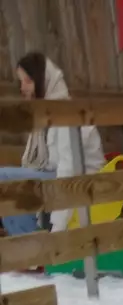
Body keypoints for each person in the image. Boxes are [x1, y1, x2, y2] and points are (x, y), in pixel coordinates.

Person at [1, 54, 104, 237]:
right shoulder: (45, 115)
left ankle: (32, 248)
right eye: (21, 81)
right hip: (58, 175)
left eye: (28, 81)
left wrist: (58, 229)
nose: (22, 87)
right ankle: (29, 245)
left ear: (44, 81)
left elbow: (69, 171)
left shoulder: (64, 113)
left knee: (6, 178)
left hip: (85, 180)